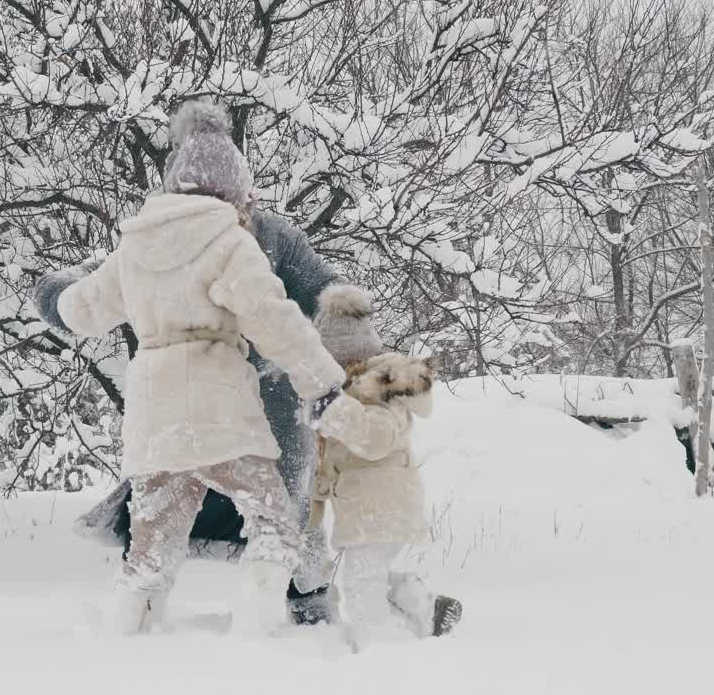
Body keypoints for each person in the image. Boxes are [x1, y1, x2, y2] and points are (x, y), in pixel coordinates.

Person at [42, 99, 345, 634]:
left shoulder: (134, 245)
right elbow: (274, 319)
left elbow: (84, 307)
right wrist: (322, 381)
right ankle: (255, 627)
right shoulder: (231, 240)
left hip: (155, 418)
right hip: (222, 411)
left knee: (152, 540)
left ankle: (126, 633)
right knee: (274, 520)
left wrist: (51, 297)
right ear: (234, 188)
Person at [308, 286, 464, 645]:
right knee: (368, 576)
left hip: (380, 507)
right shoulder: (356, 397)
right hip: (371, 507)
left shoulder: (380, 393)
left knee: (361, 586)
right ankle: (422, 604)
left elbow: (374, 440)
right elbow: (341, 458)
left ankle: (381, 648)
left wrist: (332, 411)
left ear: (347, 361)